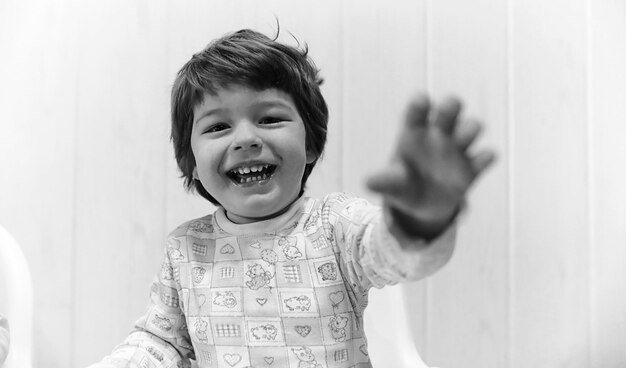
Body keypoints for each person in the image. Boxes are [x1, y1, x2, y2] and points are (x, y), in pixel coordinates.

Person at [88, 29, 494, 368]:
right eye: (217, 127)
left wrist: (417, 219)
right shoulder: (186, 248)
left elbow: (393, 253)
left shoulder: (335, 225)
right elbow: (162, 342)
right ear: (191, 161)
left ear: (311, 143)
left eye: (269, 118)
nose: (246, 139)